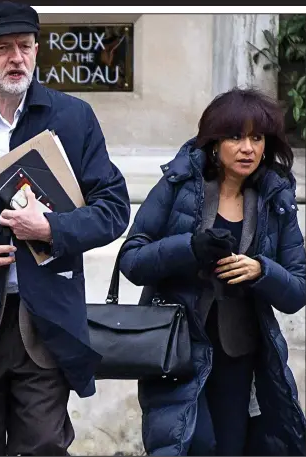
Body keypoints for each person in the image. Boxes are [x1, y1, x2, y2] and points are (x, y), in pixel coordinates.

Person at [0, 2, 130, 456]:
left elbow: (114, 208)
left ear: (38, 49)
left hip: (44, 323)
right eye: (2, 48)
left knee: (43, 447)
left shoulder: (73, 118)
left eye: (25, 46)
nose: (16, 58)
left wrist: (53, 229)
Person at [119, 87, 306, 456]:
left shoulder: (275, 197)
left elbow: (298, 289)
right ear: (213, 142)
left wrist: (261, 270)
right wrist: (189, 247)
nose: (247, 148)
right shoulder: (178, 184)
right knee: (194, 445)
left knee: (231, 446)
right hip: (177, 346)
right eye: (235, 137)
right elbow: (132, 258)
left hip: (239, 352)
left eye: (256, 138)